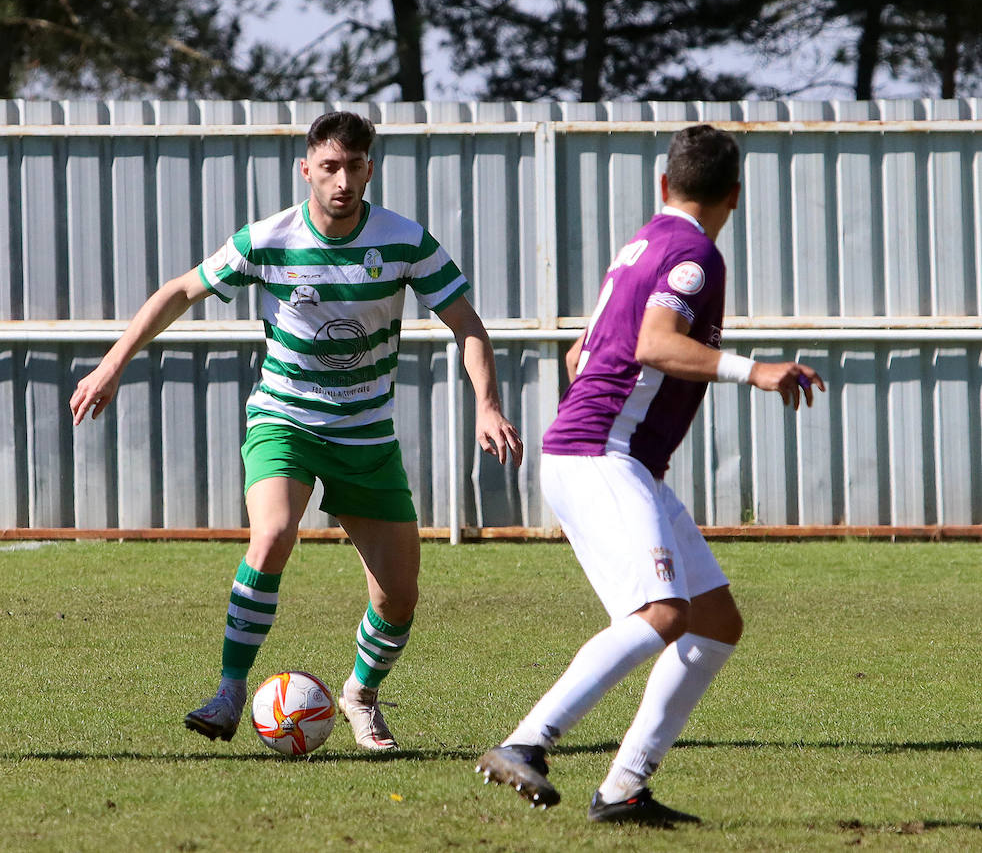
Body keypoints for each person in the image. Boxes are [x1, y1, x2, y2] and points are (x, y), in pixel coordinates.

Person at [71, 111, 522, 751]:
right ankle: (228, 692)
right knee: (276, 530)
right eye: (329, 167)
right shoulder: (268, 239)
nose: (342, 181)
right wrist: (112, 364)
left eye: (354, 167)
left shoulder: (405, 241)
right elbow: (179, 290)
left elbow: (467, 324)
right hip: (284, 416)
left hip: (366, 432)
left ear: (370, 169)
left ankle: (361, 697)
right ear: (305, 169)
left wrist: (488, 404)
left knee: (398, 598)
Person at [474, 125, 824, 823]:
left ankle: (626, 787)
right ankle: (526, 741)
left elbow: (583, 356)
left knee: (715, 621)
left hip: (609, 454)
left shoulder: (642, 245)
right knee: (662, 614)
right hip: (601, 455)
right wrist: (755, 371)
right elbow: (655, 343)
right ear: (734, 194)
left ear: (665, 185)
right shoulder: (695, 254)